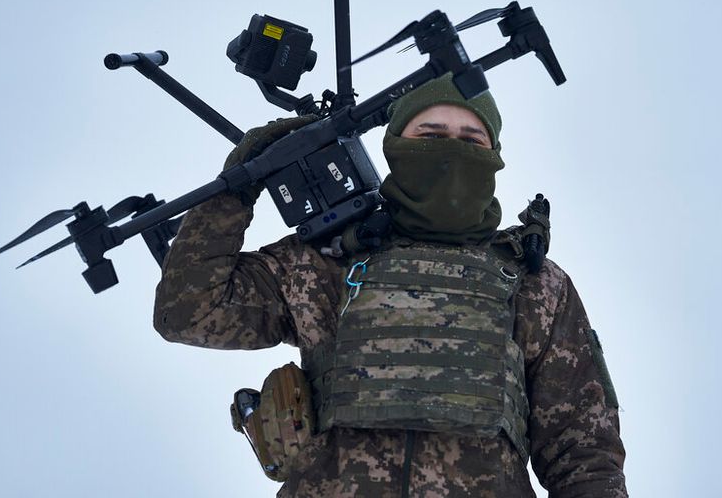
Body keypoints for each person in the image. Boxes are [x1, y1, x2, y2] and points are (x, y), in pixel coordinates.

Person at [154, 74, 628, 497]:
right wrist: (238, 185)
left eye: (471, 138)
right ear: (396, 145)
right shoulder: (323, 262)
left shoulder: (536, 284)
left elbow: (585, 456)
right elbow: (188, 312)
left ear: (494, 155)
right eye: (431, 134)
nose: (452, 149)